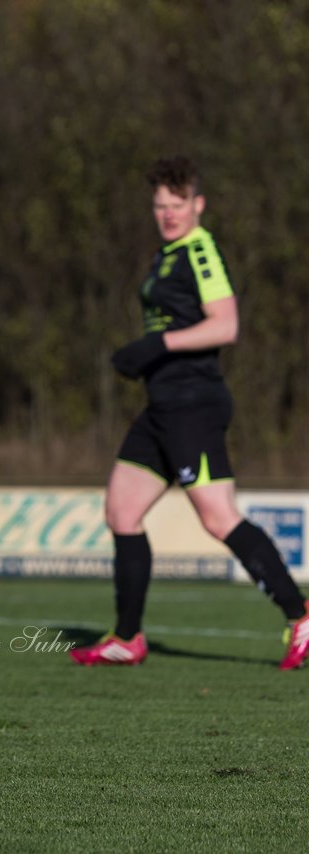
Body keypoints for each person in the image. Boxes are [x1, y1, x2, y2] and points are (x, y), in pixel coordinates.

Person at [71, 155, 309, 670]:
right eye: (159, 205)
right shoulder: (165, 254)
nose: (168, 213)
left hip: (193, 406)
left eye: (177, 204)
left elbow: (225, 325)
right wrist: (149, 354)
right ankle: (127, 638)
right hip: (162, 407)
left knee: (218, 517)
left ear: (198, 205)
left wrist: (156, 347)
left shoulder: (199, 250)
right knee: (121, 510)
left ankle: (300, 615)